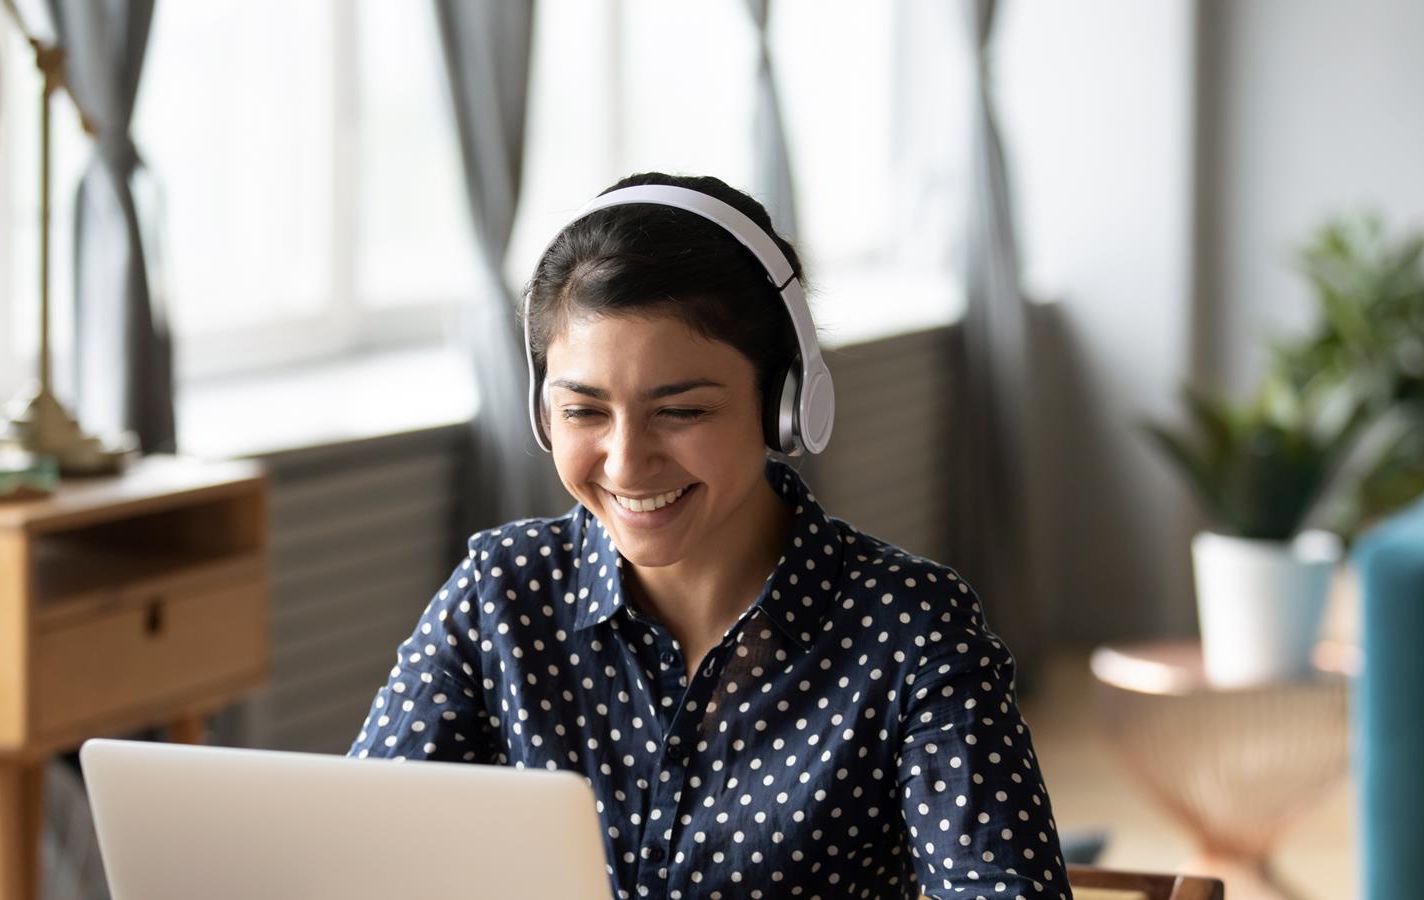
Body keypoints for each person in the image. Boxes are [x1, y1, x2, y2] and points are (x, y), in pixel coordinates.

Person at [349, 172, 1072, 899]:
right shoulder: (500, 594)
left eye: (682, 412)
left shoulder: (911, 630)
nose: (627, 462)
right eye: (585, 412)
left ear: (785, 404)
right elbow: (357, 855)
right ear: (542, 413)